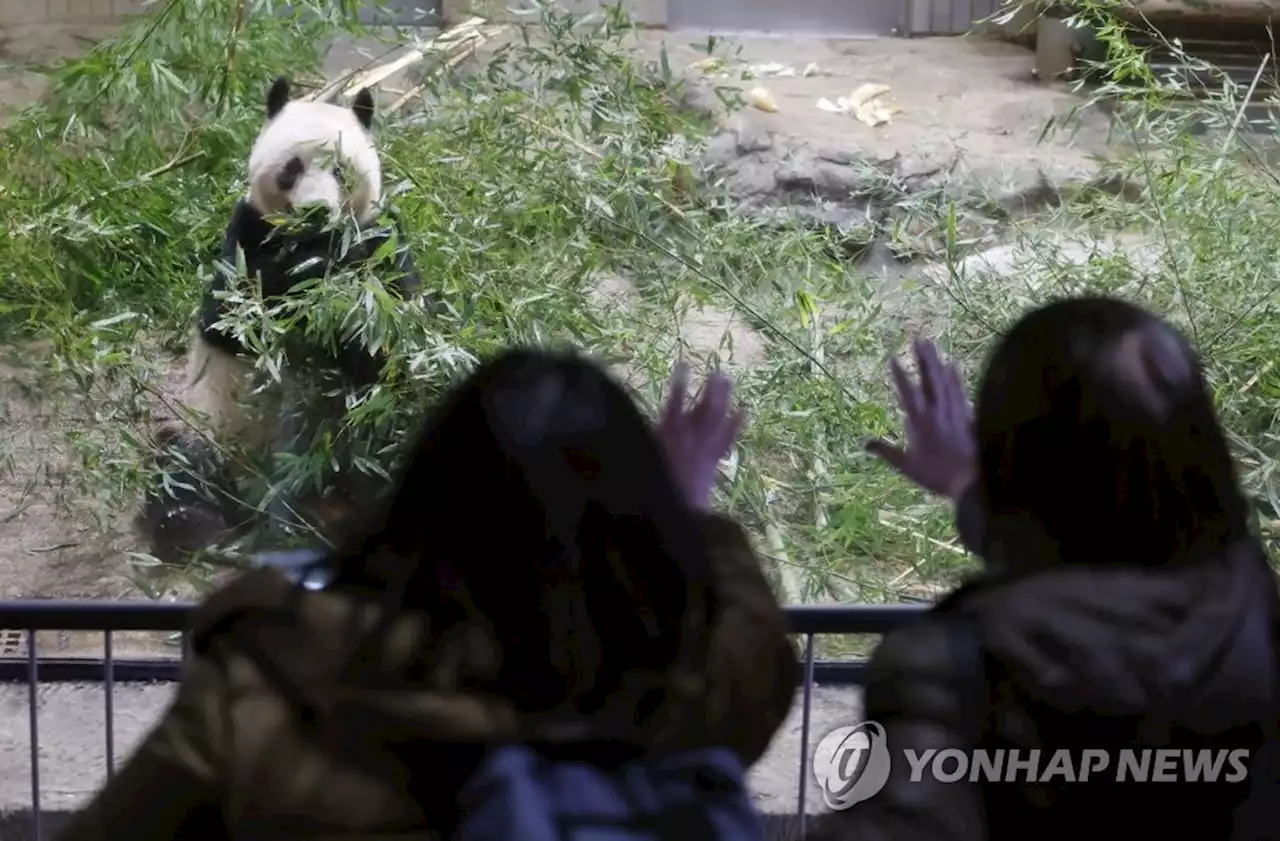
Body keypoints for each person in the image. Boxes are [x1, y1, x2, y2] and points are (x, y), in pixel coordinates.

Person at [54, 349, 799, 841]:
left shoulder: (275, 677)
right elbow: (758, 656)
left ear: (417, 498)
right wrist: (689, 511)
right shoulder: (677, 692)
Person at [807, 296, 1280, 841]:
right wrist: (968, 485)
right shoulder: (1255, 609)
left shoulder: (954, 670)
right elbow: (1119, 543)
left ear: (1006, 456)